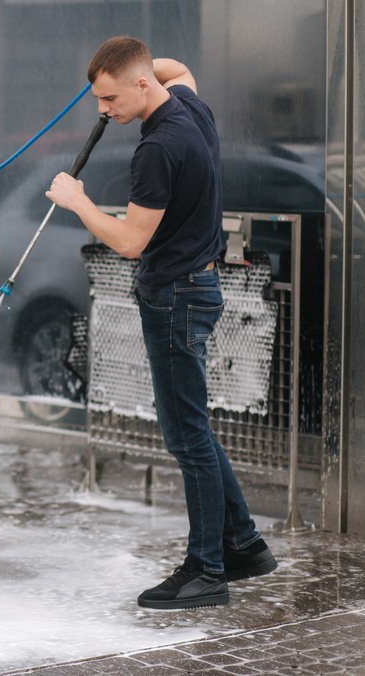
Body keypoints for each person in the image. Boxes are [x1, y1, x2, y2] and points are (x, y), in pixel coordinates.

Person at [45, 36, 277, 610]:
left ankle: (206, 571)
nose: (103, 111)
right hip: (198, 288)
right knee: (193, 427)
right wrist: (130, 68)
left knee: (186, 437)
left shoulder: (156, 150)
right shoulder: (190, 108)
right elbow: (181, 68)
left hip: (175, 299)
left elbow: (129, 241)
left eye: (109, 98)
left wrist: (77, 201)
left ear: (143, 85)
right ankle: (243, 543)